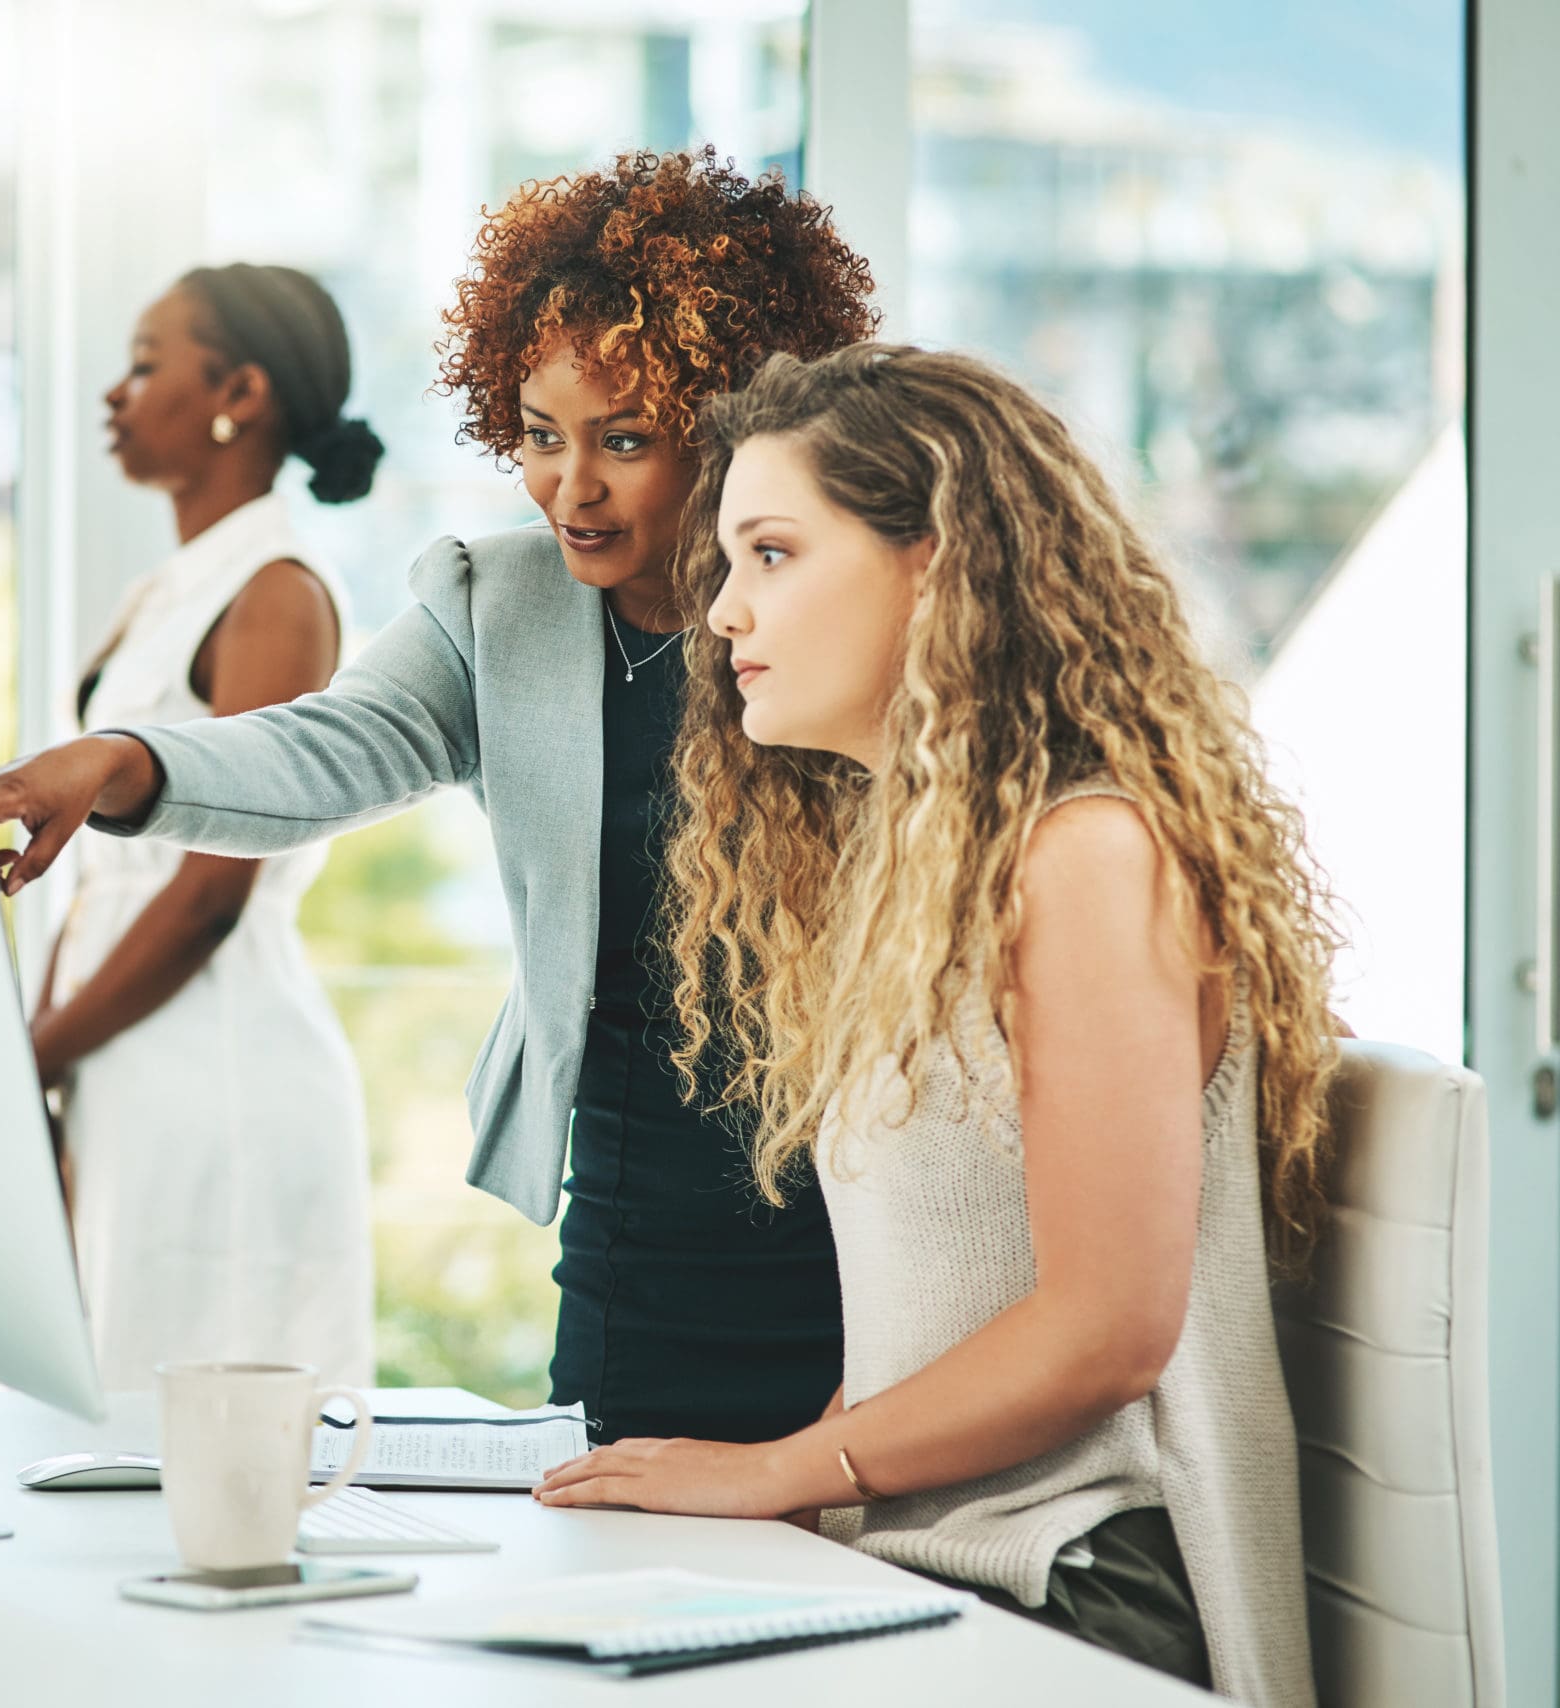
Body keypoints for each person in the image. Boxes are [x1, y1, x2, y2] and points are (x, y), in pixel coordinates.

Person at [0, 150, 878, 1440]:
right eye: (538, 437)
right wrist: (128, 762)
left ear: (736, 429)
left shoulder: (827, 607)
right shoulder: (494, 603)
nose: (571, 488)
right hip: (632, 1218)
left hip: (852, 1218)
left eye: (623, 442)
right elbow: (329, 747)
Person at [531, 345, 1331, 1705]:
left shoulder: (1088, 853)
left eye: (772, 554)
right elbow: (937, 1318)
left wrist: (773, 1472)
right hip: (930, 1563)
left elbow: (1104, 1330)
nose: (720, 614)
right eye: (728, 564)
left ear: (939, 561)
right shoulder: (925, 870)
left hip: (1077, 1585)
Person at [35, 264, 385, 1388]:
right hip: (129, 1055)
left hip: (215, 1073)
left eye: (145, 364)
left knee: (186, 1443)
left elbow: (207, 891)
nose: (114, 395)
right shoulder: (178, 584)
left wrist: (32, 1055)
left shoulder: (274, 589)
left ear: (239, 388)